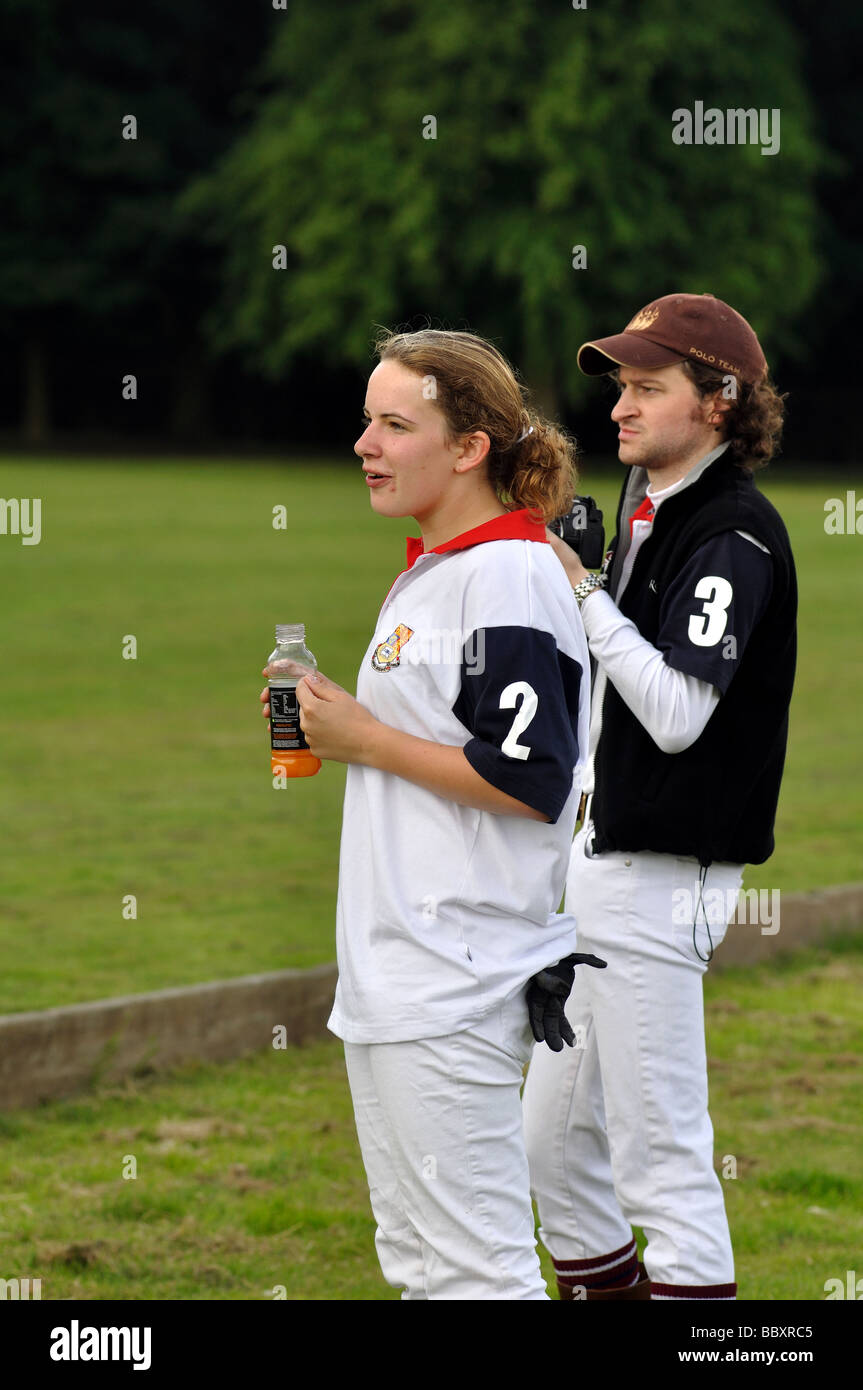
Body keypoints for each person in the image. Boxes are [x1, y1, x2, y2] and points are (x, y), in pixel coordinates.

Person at [260, 328, 599, 1300]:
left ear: (469, 447)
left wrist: (364, 738)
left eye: (394, 423)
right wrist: (335, 723)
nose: (364, 443)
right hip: (395, 975)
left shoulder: (507, 574)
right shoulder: (436, 568)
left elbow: (534, 777)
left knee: (476, 1273)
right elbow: (428, 736)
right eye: (366, 420)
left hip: (455, 976)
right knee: (420, 1265)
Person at [523, 292, 797, 1302]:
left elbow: (678, 711)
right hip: (604, 870)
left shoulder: (731, 532)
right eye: (619, 388)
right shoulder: (652, 511)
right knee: (549, 1150)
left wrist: (586, 594)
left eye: (648, 387)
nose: (619, 409)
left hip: (658, 877)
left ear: (719, 402)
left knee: (660, 1160)